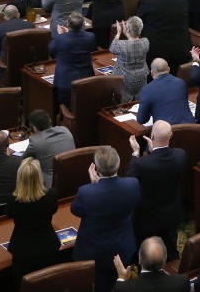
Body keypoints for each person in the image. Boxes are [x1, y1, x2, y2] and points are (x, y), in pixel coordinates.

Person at [72, 146, 140, 291]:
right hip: (123, 248)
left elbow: (76, 210)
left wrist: (93, 186)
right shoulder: (132, 184)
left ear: (96, 168)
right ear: (119, 163)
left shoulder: (86, 192)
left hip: (96, 252)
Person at [126, 121, 188, 260]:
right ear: (171, 135)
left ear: (152, 136)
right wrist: (154, 150)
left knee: (145, 254)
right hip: (171, 215)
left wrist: (136, 153)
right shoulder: (180, 155)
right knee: (171, 251)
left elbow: (129, 179)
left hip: (147, 218)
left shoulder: (141, 163)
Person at [5, 157, 60, 284]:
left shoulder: (12, 201)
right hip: (48, 248)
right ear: (39, 177)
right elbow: (54, 210)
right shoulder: (51, 196)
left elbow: (8, 214)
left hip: (22, 253)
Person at [49, 12, 96, 108]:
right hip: (86, 80)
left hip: (66, 83)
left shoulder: (60, 39)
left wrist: (61, 35)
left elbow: (52, 49)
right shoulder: (90, 37)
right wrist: (65, 35)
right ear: (83, 24)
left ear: (68, 24)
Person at [22, 109, 75, 189]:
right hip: (72, 177)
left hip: (50, 186)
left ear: (34, 128)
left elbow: (23, 161)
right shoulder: (66, 131)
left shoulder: (35, 141)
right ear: (50, 121)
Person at [113, 237, 189, 292]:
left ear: (139, 260)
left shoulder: (123, 288)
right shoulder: (182, 282)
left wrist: (122, 278)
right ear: (165, 258)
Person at [136, 58, 195, 125]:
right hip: (190, 129)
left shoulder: (147, 90)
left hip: (166, 132)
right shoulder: (181, 83)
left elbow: (141, 120)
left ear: (152, 73)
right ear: (168, 69)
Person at [110, 17, 149, 102]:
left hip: (124, 81)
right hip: (141, 78)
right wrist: (127, 33)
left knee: (124, 102)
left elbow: (112, 49)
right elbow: (134, 43)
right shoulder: (146, 42)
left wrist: (119, 33)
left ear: (127, 29)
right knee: (138, 102)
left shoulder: (122, 45)